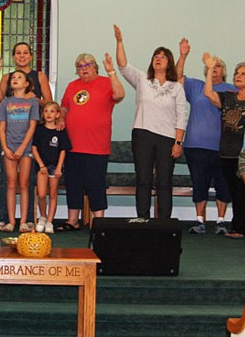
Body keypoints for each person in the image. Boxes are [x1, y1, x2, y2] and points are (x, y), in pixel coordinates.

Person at [114, 24, 187, 219]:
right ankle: (142, 219)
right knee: (143, 179)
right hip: (142, 135)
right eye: (156, 56)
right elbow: (122, 65)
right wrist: (120, 41)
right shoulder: (142, 79)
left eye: (163, 56)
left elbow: (182, 115)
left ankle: (164, 222)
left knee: (164, 181)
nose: (158, 58)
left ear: (169, 62)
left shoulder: (176, 87)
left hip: (167, 138)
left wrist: (178, 142)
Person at [0, 42, 53, 231]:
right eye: (18, 53)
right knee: (7, 180)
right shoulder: (9, 78)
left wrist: (34, 98)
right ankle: (5, 218)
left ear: (31, 56)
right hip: (9, 136)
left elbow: (49, 102)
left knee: (28, 180)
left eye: (25, 53)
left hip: (30, 135)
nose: (22, 56)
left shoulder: (39, 76)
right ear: (14, 56)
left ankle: (28, 219)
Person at [56, 52, 125, 231]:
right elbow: (64, 107)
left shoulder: (106, 82)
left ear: (95, 66)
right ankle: (73, 220)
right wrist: (61, 118)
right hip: (73, 145)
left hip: (96, 146)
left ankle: (99, 221)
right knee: (73, 183)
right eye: (79, 66)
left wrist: (112, 73)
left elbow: (119, 95)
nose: (83, 69)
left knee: (96, 184)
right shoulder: (72, 86)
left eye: (87, 65)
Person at [176, 39, 235, 234]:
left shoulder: (230, 90)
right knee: (199, 183)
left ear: (223, 70)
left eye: (218, 66)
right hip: (196, 146)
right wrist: (183, 55)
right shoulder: (195, 86)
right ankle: (200, 221)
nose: (214, 68)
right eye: (211, 66)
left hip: (223, 148)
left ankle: (220, 221)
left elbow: (216, 100)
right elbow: (176, 78)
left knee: (223, 184)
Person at [204, 54, 245, 238]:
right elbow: (208, 93)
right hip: (227, 153)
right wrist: (210, 69)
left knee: (242, 192)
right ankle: (238, 228)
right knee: (236, 193)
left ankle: (239, 228)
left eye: (243, 74)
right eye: (237, 73)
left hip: (242, 154)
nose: (238, 76)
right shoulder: (228, 98)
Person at [0, 70, 40, 232]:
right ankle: (10, 221)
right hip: (9, 148)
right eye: (13, 78)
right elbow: (2, 128)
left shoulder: (32, 102)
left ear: (27, 83)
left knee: (24, 184)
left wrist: (22, 147)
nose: (15, 80)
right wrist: (5, 148)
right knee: (11, 184)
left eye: (19, 77)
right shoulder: (5, 102)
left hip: (25, 148)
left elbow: (32, 126)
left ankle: (23, 221)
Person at [31, 101, 72, 233]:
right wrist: (41, 165)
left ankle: (49, 221)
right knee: (42, 194)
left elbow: (63, 150)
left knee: (53, 194)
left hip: (55, 167)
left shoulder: (61, 130)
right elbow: (34, 148)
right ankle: (42, 216)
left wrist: (59, 167)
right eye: (46, 111)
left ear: (57, 114)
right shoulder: (39, 129)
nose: (49, 114)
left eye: (52, 111)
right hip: (42, 167)